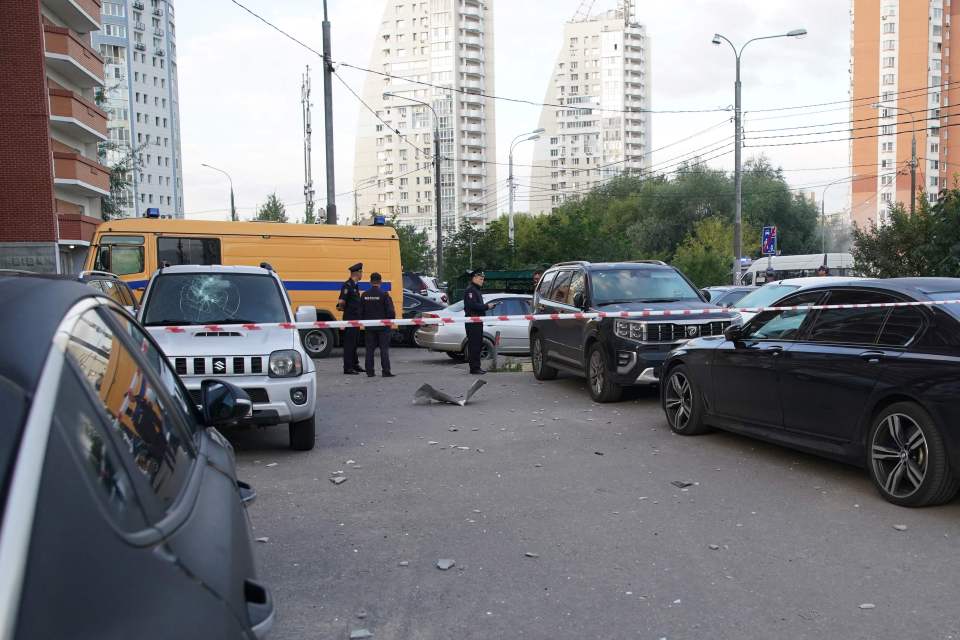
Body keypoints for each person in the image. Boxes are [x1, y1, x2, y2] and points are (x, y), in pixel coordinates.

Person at [360, 272, 396, 378]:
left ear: (370, 282)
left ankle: (370, 372)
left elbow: (360, 311)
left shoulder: (364, 295)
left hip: (369, 327)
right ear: (380, 282)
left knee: (369, 350)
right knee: (384, 349)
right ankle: (386, 371)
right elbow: (391, 312)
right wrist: (389, 322)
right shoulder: (384, 295)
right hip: (383, 328)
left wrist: (365, 322)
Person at [463, 268, 494, 375]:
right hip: (472, 321)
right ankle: (474, 368)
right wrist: (487, 306)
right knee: (474, 346)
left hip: (477, 321)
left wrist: (486, 307)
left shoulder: (475, 290)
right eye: (480, 279)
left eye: (483, 279)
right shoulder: (471, 290)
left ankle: (477, 367)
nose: (482, 281)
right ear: (474, 278)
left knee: (477, 345)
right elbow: (472, 305)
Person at [337, 262, 364, 375]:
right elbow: (341, 302)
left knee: (355, 342)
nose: (362, 274)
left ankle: (355, 364)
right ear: (357, 273)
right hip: (350, 318)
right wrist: (346, 310)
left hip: (356, 319)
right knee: (349, 343)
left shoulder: (355, 285)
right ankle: (348, 367)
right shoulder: (347, 285)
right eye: (361, 272)